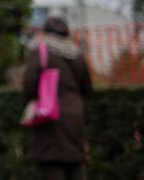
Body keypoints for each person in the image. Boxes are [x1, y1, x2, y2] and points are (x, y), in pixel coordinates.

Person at [22, 16, 93, 180]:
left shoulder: (40, 52)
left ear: (46, 32)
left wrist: (30, 103)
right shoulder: (77, 55)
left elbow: (29, 84)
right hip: (75, 116)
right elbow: (87, 89)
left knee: (52, 164)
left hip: (49, 115)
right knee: (75, 163)